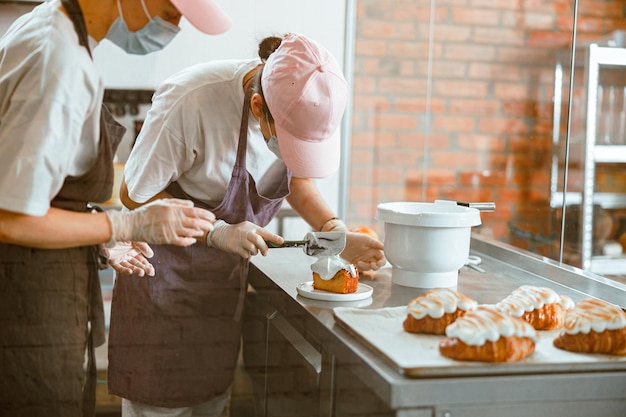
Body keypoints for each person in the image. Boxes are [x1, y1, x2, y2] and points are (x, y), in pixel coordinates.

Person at [107, 33, 386, 416]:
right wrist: (216, 232)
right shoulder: (192, 100)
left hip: (220, 290)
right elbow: (134, 194)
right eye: (288, 142)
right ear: (258, 106)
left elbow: (297, 179)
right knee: (159, 406)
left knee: (212, 401)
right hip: (163, 276)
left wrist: (334, 230)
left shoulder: (298, 99)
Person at [0, 1, 232, 416]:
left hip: (41, 278)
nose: (173, 26)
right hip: (25, 299)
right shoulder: (59, 63)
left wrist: (101, 235)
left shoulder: (51, 25)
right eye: (170, 9)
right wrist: (126, 223)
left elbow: (40, 191)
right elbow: (13, 218)